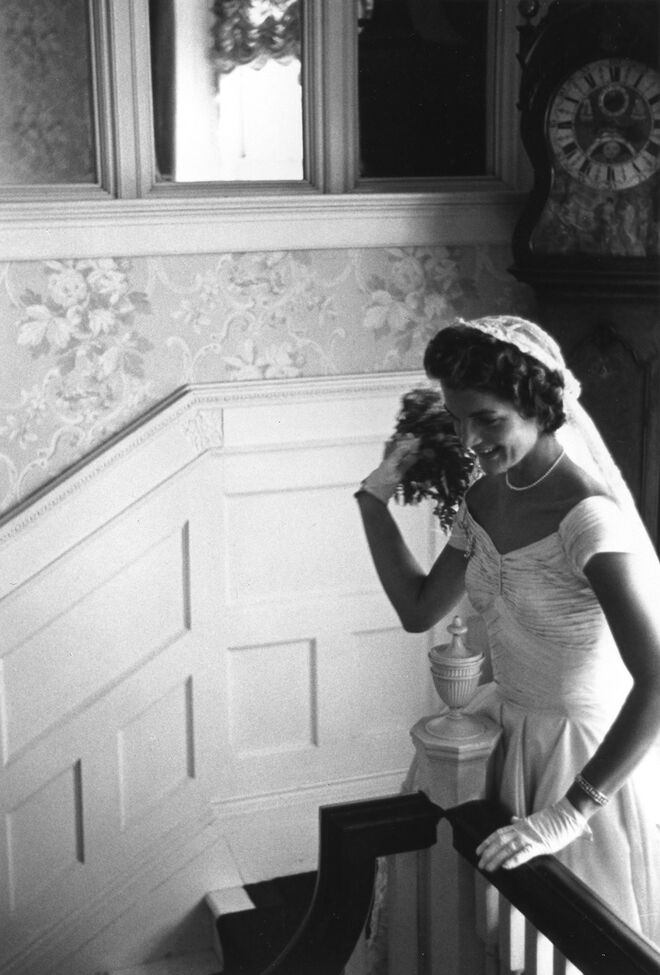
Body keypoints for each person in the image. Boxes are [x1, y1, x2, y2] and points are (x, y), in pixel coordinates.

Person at [354, 315, 660, 944]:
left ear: (540, 405)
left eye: (487, 419)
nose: (469, 439)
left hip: (578, 758)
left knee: (566, 942)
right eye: (458, 418)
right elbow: (418, 609)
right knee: (483, 936)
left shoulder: (588, 520)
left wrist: (569, 813)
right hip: (502, 737)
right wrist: (373, 496)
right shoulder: (486, 498)